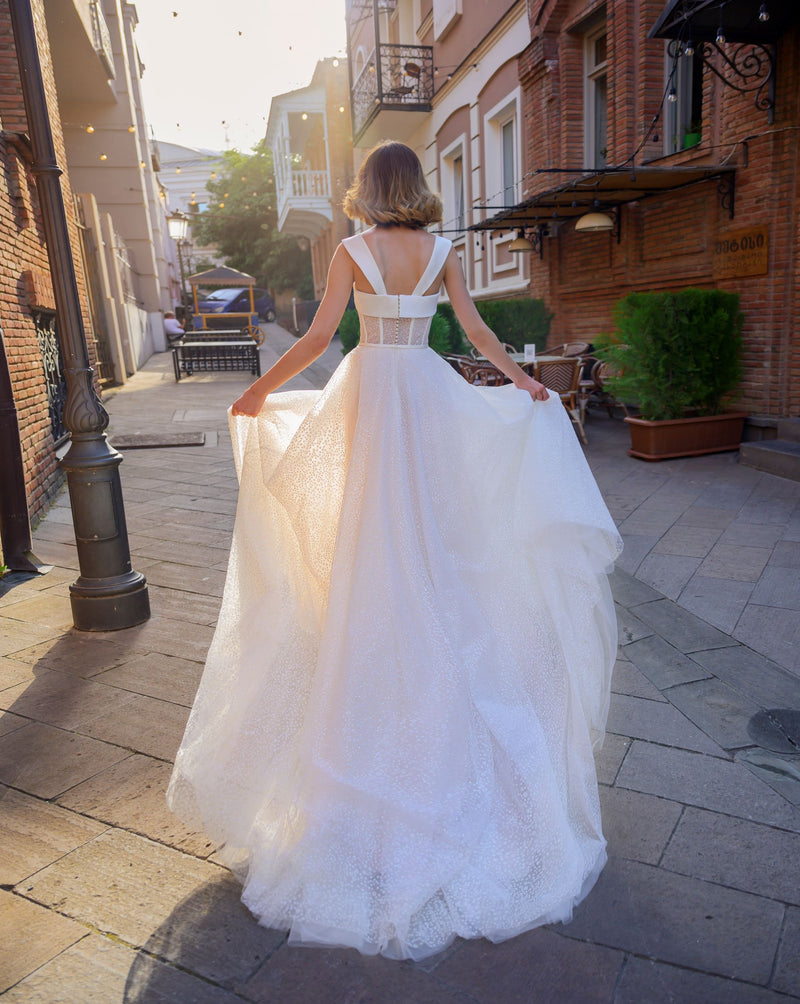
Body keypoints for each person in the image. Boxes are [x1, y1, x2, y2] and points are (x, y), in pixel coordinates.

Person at [167, 141, 622, 961]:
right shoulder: (442, 252)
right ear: (417, 187)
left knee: (367, 539)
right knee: (438, 537)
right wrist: (523, 385)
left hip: (372, 396)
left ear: (369, 190)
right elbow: (477, 329)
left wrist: (261, 389)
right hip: (428, 395)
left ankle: (375, 668)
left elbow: (315, 335)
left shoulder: (351, 250)